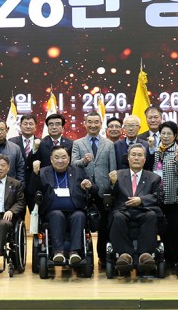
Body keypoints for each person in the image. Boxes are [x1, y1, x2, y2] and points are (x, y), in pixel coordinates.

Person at [30, 145, 96, 265]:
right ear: (51, 159)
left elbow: (95, 189)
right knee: (57, 215)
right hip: (51, 213)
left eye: (64, 157)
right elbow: (32, 191)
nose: (60, 160)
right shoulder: (43, 172)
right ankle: (58, 252)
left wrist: (89, 185)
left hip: (75, 210)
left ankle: (74, 252)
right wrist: (35, 174)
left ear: (69, 159)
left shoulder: (78, 171)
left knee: (79, 216)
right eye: (56, 157)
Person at [107, 143, 163, 270]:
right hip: (123, 210)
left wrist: (141, 200)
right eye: (133, 155)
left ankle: (145, 254)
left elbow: (158, 197)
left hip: (144, 210)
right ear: (128, 158)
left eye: (139, 155)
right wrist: (113, 184)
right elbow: (109, 194)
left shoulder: (154, 178)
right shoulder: (118, 175)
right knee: (117, 217)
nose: (136, 158)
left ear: (145, 159)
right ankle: (125, 255)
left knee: (151, 215)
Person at [71, 112, 116, 263]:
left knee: (104, 225)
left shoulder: (109, 144)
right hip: (83, 190)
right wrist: (84, 161)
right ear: (85, 124)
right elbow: (73, 164)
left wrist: (112, 188)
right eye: (90, 122)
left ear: (101, 124)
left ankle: (103, 257)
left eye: (96, 122)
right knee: (83, 223)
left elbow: (112, 169)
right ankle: (83, 256)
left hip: (103, 192)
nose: (93, 125)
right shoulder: (78, 143)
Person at [147, 120, 178, 264]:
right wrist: (151, 151)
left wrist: (177, 159)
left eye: (169, 134)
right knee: (161, 230)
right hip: (157, 196)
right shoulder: (156, 150)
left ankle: (173, 259)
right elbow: (150, 168)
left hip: (173, 196)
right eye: (162, 133)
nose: (165, 136)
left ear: (175, 135)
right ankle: (161, 258)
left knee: (173, 230)